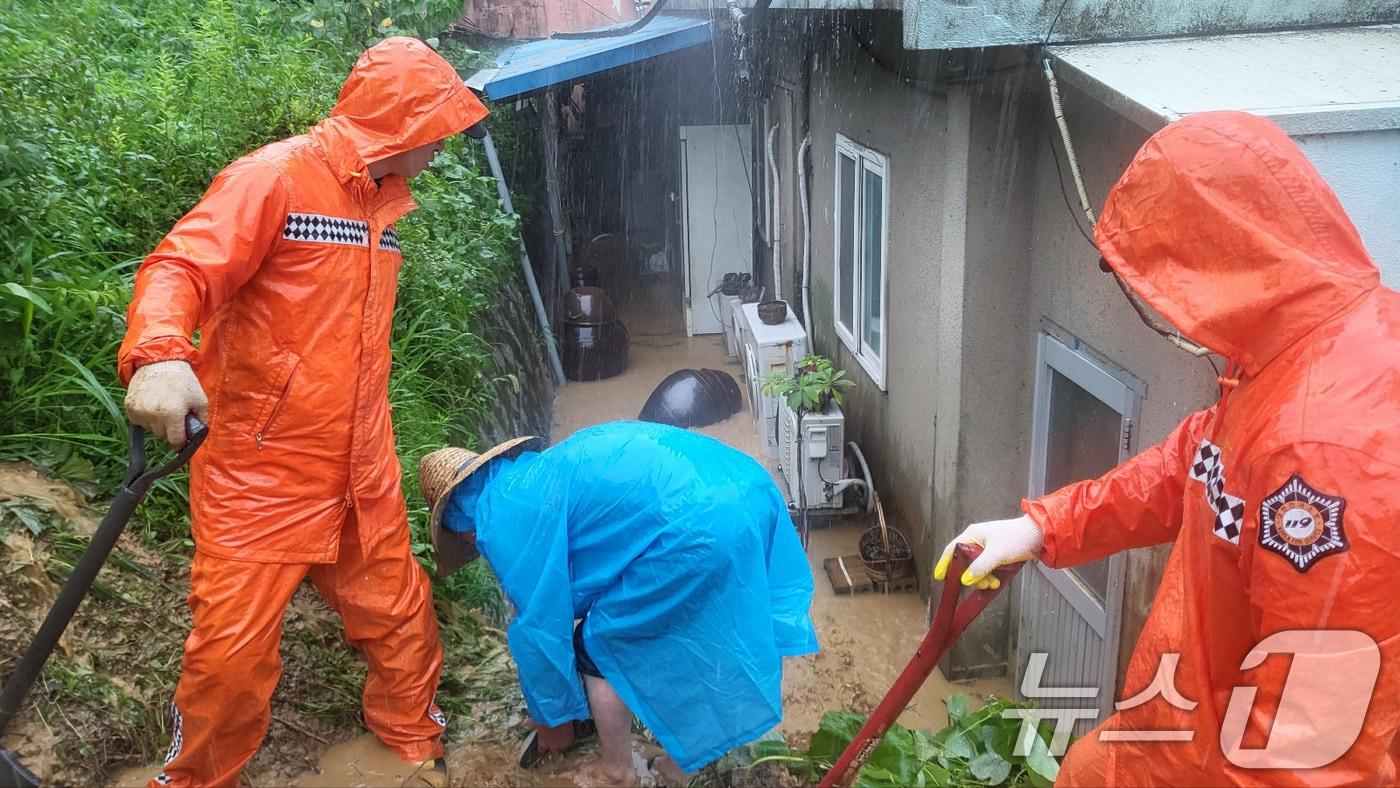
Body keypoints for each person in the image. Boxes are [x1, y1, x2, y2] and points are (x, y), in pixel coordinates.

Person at [936, 110, 1400, 785]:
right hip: (1181, 729)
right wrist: (1040, 527)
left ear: (1221, 258)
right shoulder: (1291, 350)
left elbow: (1309, 751)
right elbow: (1195, 461)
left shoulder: (1328, 451)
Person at [118, 37, 491, 787]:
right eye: (440, 129)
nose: (445, 145)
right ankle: (194, 780)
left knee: (399, 615)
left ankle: (410, 745)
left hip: (362, 464)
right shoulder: (275, 178)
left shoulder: (382, 205)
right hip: (261, 471)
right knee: (230, 655)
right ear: (401, 124)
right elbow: (180, 266)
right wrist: (159, 352)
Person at [417, 421, 819, 786]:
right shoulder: (529, 477)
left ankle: (615, 772)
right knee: (681, 623)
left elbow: (541, 632)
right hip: (742, 484)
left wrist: (553, 722)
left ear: (460, 529)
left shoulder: (500, 521)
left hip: (696, 523)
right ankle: (687, 762)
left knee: (599, 643)